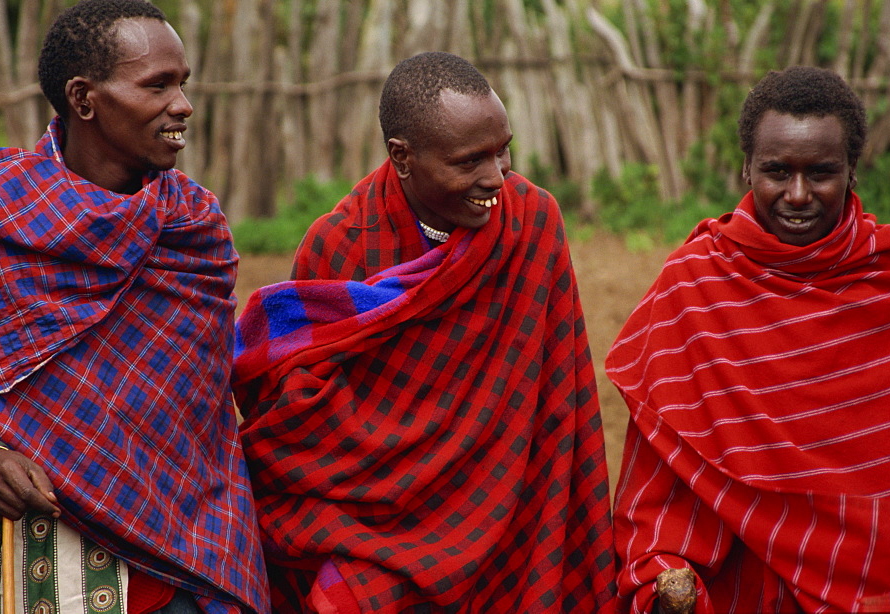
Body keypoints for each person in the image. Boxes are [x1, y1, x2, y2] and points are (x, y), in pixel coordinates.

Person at [0, 0, 269, 614]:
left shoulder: (194, 233)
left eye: (183, 84)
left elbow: (202, 440)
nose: (182, 105)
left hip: (171, 583)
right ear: (84, 99)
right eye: (157, 85)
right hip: (13, 580)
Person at [231, 51, 616, 612]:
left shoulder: (532, 220)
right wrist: (403, 471)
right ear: (402, 157)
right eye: (469, 162)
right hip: (375, 512)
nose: (496, 176)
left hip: (506, 499)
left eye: (502, 149)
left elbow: (561, 393)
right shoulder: (342, 244)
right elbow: (297, 408)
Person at [607, 65, 890, 613]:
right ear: (747, 168)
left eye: (821, 172)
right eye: (777, 171)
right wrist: (666, 574)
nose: (798, 195)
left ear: (852, 171)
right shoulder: (696, 285)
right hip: (740, 588)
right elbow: (666, 481)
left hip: (884, 588)